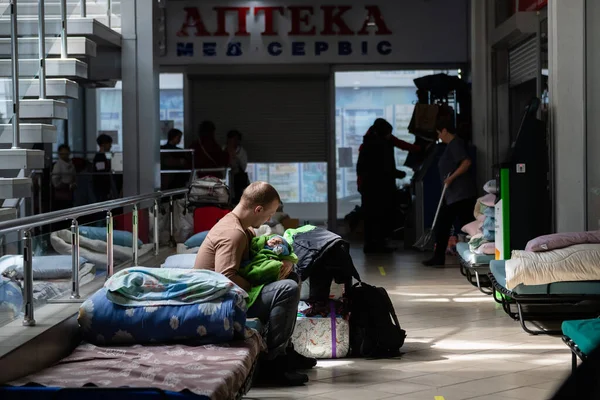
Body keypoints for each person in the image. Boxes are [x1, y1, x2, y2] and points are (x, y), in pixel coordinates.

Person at [194, 182, 316, 386]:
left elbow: (253, 256)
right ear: (258, 209)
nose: (269, 219)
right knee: (287, 288)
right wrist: (268, 277)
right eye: (269, 214)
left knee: (291, 277)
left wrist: (280, 259)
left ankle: (285, 350)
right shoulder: (233, 233)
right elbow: (226, 279)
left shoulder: (242, 227)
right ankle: (272, 364)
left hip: (229, 294)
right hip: (216, 301)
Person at [422, 119, 477, 267]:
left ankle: (441, 257)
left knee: (464, 225)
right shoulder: (451, 146)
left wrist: (451, 178)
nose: (439, 137)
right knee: (450, 225)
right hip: (453, 195)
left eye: (439, 133)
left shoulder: (455, 144)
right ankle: (439, 257)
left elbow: (466, 162)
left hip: (461, 195)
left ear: (445, 130)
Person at [356, 118, 406, 254]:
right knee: (382, 216)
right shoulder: (382, 145)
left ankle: (370, 244)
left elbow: (361, 168)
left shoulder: (367, 143)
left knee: (370, 217)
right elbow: (386, 168)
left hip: (368, 188)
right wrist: (399, 174)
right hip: (381, 189)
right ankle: (379, 245)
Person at [225, 130, 249, 204]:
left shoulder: (241, 152)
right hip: (226, 178)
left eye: (235, 139)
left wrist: (235, 157)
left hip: (238, 180)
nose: (233, 141)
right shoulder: (223, 149)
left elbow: (243, 166)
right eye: (232, 139)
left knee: (237, 198)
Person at [51, 144, 76, 210]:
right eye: (62, 153)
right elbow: (55, 181)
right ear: (59, 154)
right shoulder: (58, 165)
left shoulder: (71, 164)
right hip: (61, 194)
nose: (65, 155)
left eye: (66, 153)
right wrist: (63, 185)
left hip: (70, 192)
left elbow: (74, 176)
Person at [93, 134, 115, 202]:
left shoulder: (102, 156)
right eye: (109, 144)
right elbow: (101, 174)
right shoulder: (99, 157)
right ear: (103, 144)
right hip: (101, 189)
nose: (110, 146)